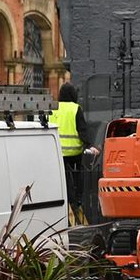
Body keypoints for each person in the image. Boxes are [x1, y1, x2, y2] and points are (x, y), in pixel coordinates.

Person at [52, 82, 99, 222]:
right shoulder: (75, 108)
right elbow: (82, 129)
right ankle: (77, 203)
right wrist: (91, 145)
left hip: (58, 152)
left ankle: (67, 202)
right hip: (75, 152)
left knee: (64, 181)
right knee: (78, 178)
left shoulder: (54, 108)